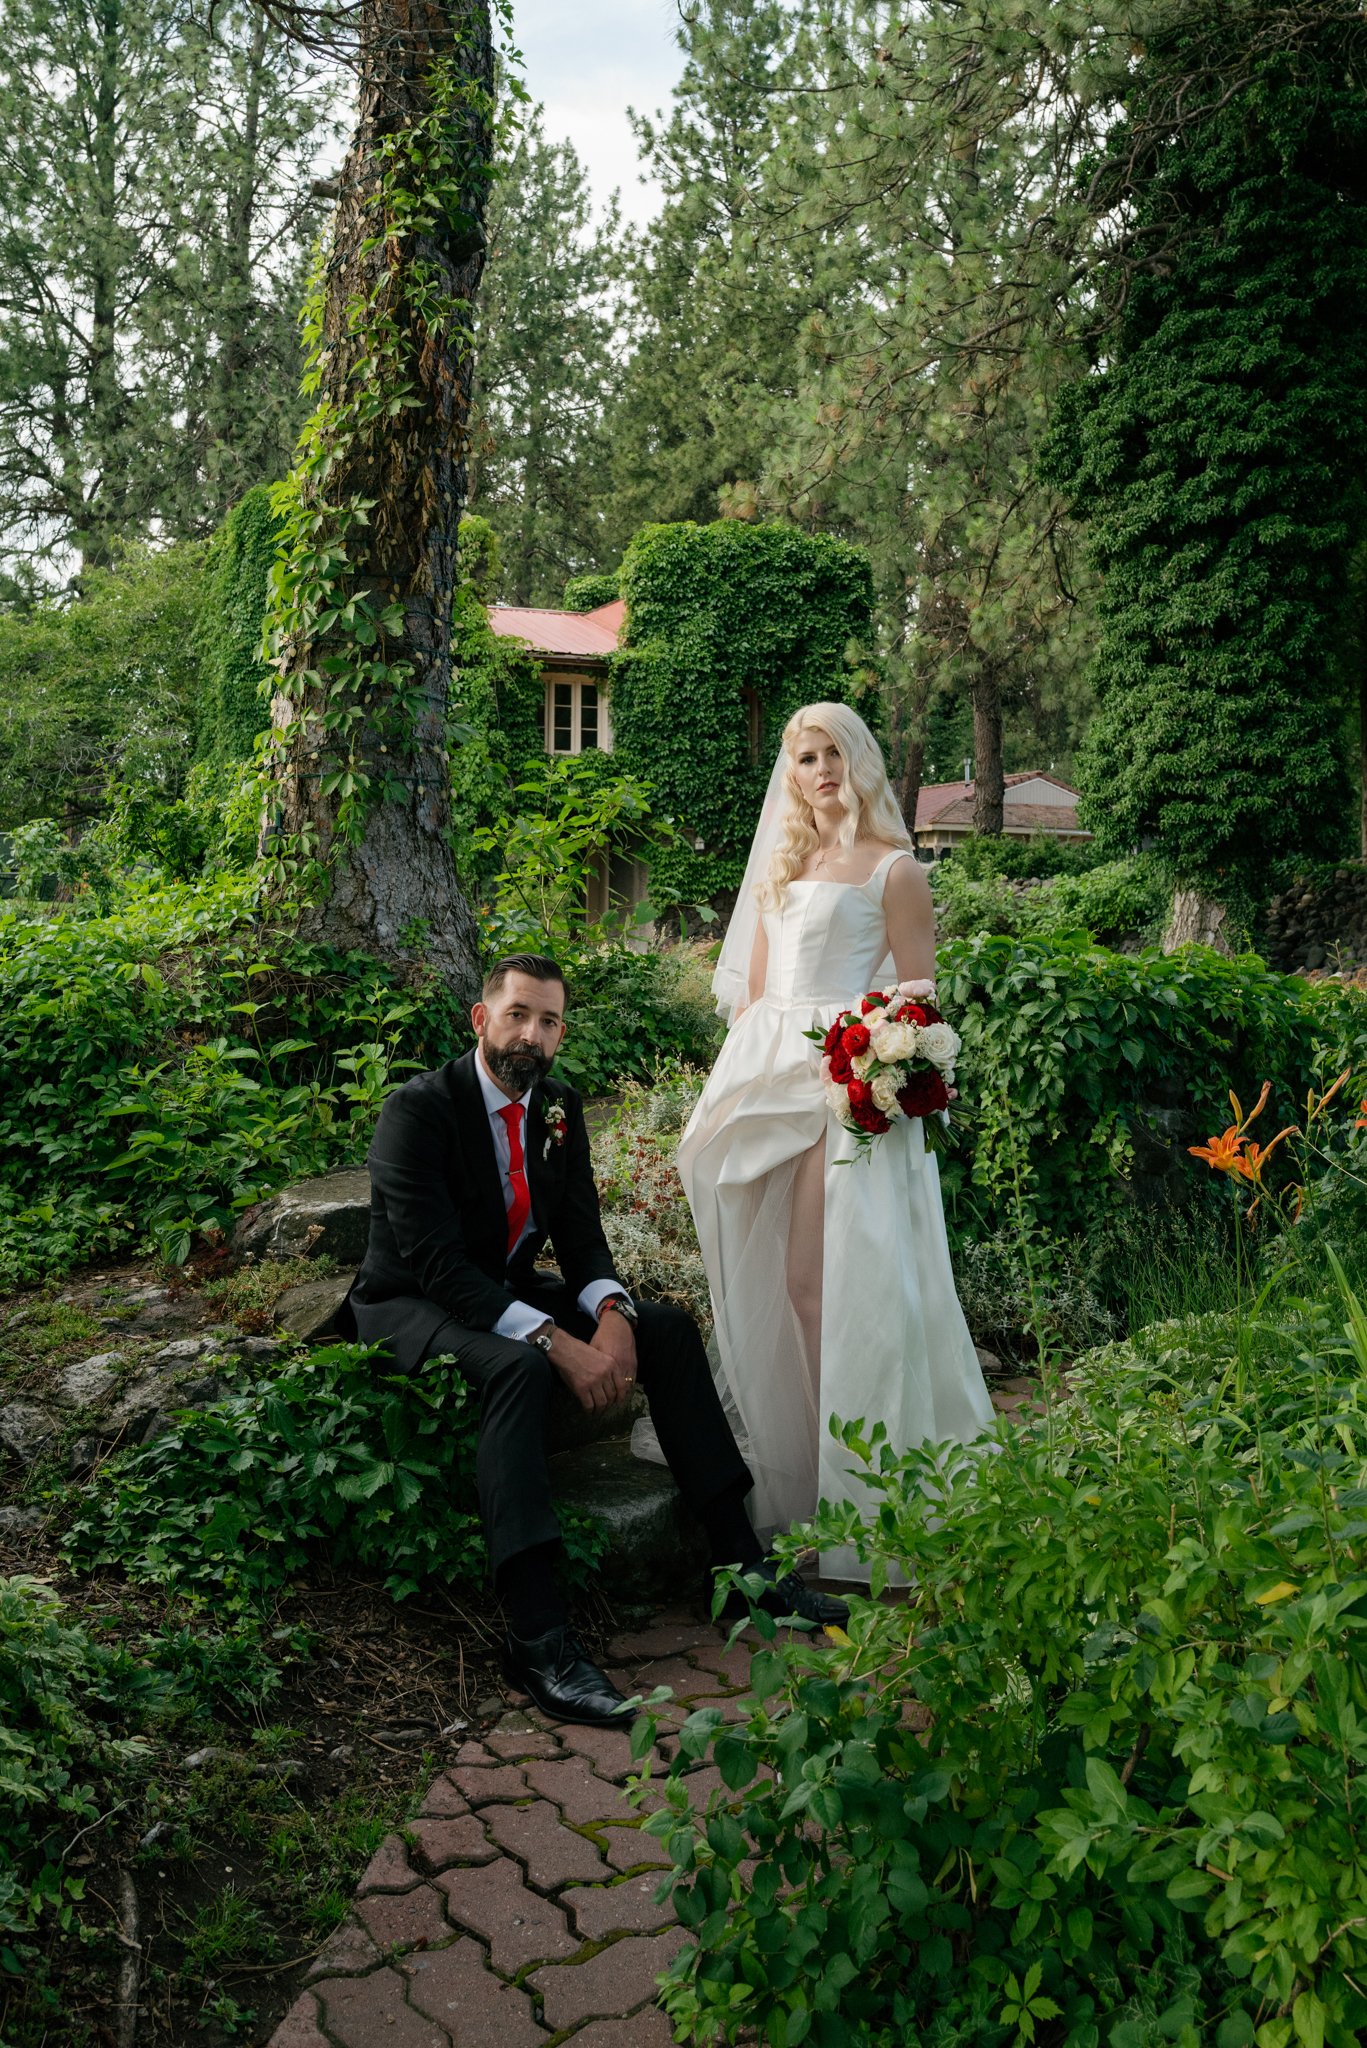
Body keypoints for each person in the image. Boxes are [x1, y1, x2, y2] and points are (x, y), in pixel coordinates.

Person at [350, 952, 848, 1730]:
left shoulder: (557, 1106)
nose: (531, 1034)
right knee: (518, 1369)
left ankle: (741, 1569)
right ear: (481, 1019)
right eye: (517, 1015)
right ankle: (537, 1639)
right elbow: (439, 1267)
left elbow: (580, 1235)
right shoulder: (418, 1110)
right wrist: (554, 1339)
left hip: (506, 1286)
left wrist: (612, 1310)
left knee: (666, 1329)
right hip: (413, 1302)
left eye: (548, 1021)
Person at [676, 705, 995, 1580]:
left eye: (831, 754)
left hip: (843, 1084)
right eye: (804, 757)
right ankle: (811, 1475)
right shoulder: (781, 867)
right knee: (780, 1282)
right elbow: (755, 997)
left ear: (859, 762)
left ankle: (858, 1500)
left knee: (828, 1287)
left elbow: (916, 1000)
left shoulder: (895, 870)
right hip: (769, 1076)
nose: (818, 769)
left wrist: (874, 1064)